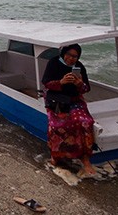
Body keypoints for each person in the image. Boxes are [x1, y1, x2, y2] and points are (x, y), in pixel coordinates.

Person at [41, 43, 97, 177]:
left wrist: (79, 84)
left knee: (85, 122)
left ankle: (85, 158)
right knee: (57, 125)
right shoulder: (54, 63)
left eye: (75, 56)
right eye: (69, 55)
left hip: (74, 100)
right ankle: (56, 156)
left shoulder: (79, 67)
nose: (71, 58)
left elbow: (86, 88)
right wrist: (61, 82)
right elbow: (46, 82)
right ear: (63, 53)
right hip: (57, 100)